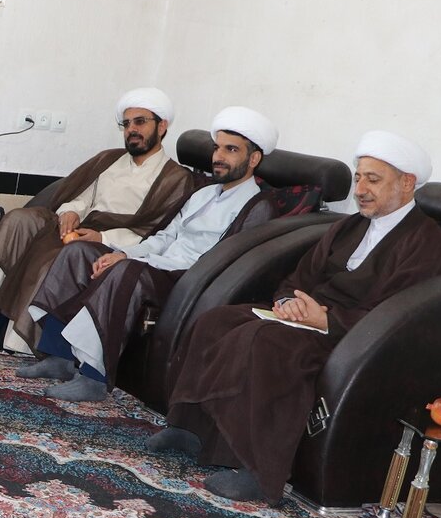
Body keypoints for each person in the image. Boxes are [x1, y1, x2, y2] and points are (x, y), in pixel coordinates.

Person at [149, 130, 441, 503]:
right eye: (358, 178)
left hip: (353, 338)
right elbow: (299, 277)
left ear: (407, 183)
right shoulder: (349, 226)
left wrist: (326, 321)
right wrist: (288, 303)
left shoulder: (427, 243)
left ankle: (258, 471)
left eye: (373, 180)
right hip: (305, 319)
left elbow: (399, 316)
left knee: (267, 341)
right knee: (217, 321)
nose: (360, 190)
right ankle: (190, 428)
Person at [19, 106, 277, 402]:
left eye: (231, 150)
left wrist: (131, 261)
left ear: (253, 159)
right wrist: (125, 252)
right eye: (217, 148)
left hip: (186, 280)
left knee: (124, 271)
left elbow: (219, 264)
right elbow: (164, 237)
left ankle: (94, 377)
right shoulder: (203, 193)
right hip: (157, 265)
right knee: (78, 252)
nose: (218, 156)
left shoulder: (257, 207)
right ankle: (59, 356)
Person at [0, 88, 195, 355]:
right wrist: (70, 212)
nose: (132, 129)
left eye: (140, 122)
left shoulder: (175, 178)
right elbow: (81, 198)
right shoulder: (110, 159)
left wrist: (102, 238)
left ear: (162, 126)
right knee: (21, 220)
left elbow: (155, 231)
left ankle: (4, 329)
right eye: (126, 123)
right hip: (80, 227)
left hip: (114, 243)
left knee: (49, 253)